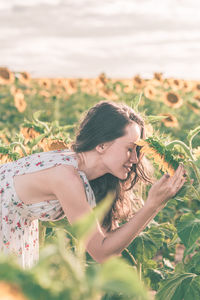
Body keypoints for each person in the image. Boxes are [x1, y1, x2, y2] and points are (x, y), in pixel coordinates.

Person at [0, 100, 186, 269]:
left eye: (137, 150)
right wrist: (153, 204)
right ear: (102, 145)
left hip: (13, 226)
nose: (136, 159)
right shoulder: (66, 178)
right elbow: (101, 252)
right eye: (129, 149)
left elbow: (107, 241)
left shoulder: (83, 173)